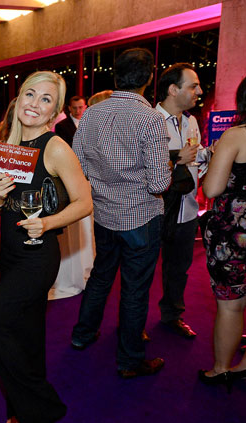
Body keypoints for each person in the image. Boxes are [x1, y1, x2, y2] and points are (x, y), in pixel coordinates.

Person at [0, 71, 92, 423]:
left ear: (55, 111)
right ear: (18, 99)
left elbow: (85, 202)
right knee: (26, 332)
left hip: (38, 256)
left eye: (45, 100)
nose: (34, 104)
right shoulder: (7, 147)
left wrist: (50, 222)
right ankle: (25, 408)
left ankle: (41, 402)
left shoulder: (54, 147)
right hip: (10, 254)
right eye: (30, 94)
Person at [70, 48, 171, 379]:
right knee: (135, 289)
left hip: (103, 213)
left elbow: (78, 165)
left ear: (115, 75)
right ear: (149, 78)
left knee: (101, 275)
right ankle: (129, 360)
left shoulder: (91, 115)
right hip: (141, 216)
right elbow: (159, 182)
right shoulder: (151, 119)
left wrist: (104, 181)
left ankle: (83, 335)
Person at [199, 72, 246, 388]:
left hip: (234, 235)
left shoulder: (236, 135)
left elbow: (213, 187)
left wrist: (218, 157)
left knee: (231, 303)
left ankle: (222, 368)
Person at [155, 63, 207, 339]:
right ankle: (132, 325)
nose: (199, 91)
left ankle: (172, 314)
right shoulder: (148, 120)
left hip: (186, 209)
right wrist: (175, 158)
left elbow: (197, 159)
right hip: (153, 209)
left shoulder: (191, 121)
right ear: (173, 90)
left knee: (179, 268)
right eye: (192, 86)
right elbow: (136, 164)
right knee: (140, 271)